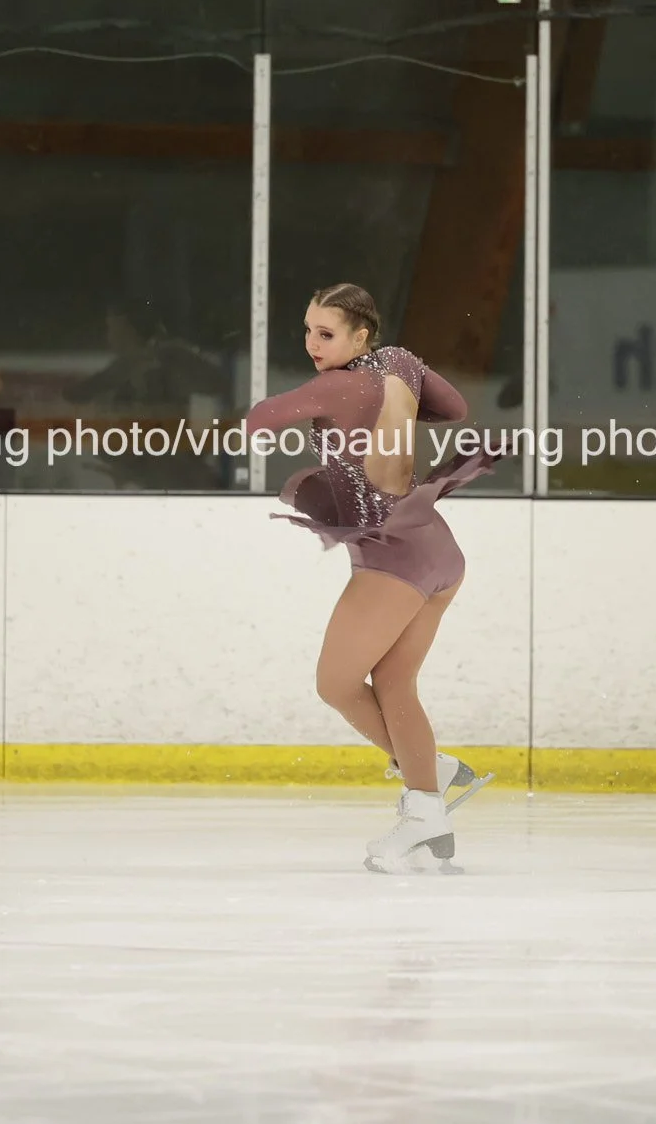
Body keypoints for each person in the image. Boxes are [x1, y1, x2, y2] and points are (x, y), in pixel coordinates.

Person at [243, 283, 503, 873]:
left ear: (361, 335)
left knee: (335, 683)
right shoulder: (401, 363)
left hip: (392, 557)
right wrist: (397, 410)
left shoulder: (336, 385)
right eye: (307, 330)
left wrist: (321, 405)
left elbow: (261, 419)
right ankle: (426, 811)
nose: (312, 344)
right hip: (436, 547)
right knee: (394, 683)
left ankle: (428, 775)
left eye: (326, 333)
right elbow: (454, 408)